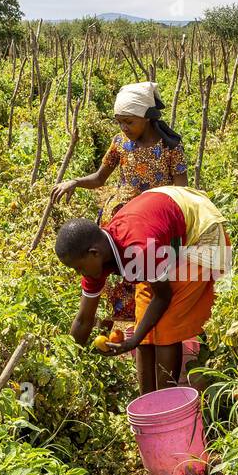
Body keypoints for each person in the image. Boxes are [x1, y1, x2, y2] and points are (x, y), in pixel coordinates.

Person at [55, 186, 232, 394]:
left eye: (78, 268)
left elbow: (163, 297)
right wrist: (66, 364)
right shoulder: (100, 257)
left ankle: (166, 404)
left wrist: (133, 340)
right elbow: (83, 320)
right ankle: (146, 401)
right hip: (160, 228)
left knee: (166, 326)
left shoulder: (139, 248)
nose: (79, 273)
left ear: (94, 253)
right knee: (144, 324)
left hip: (201, 232)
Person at [52, 82, 188, 326]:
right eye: (120, 122)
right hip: (119, 220)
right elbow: (100, 178)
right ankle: (121, 333)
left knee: (154, 282)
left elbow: (182, 193)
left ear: (146, 117)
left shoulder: (170, 147)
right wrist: (74, 182)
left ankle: (150, 331)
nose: (124, 128)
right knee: (118, 281)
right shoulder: (119, 143)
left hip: (154, 224)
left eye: (129, 121)